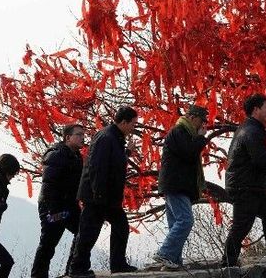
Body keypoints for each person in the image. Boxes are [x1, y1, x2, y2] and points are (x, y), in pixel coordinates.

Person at [221, 94, 266, 267]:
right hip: (245, 186)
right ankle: (228, 263)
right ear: (256, 109)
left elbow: (254, 155)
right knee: (242, 225)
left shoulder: (249, 128)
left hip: (250, 185)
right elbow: (258, 159)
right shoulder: (252, 130)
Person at [69, 107, 139, 277]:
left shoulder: (114, 137)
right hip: (97, 195)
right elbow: (97, 166)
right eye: (133, 124)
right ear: (124, 122)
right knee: (89, 232)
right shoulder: (107, 137)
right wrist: (98, 193)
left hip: (107, 196)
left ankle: (118, 264)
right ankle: (77, 268)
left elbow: (114, 160)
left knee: (120, 226)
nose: (133, 128)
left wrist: (127, 152)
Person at [153, 105, 209, 270]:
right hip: (176, 185)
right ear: (192, 118)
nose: (203, 124)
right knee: (185, 220)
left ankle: (173, 262)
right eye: (201, 120)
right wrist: (200, 138)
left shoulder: (183, 132)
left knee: (175, 224)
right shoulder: (180, 131)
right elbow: (189, 153)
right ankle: (165, 253)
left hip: (175, 184)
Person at [31, 124, 85, 278]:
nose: (82, 137)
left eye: (83, 134)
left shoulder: (76, 156)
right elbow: (49, 186)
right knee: (48, 243)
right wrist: (54, 212)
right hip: (53, 208)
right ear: (68, 138)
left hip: (69, 207)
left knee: (83, 230)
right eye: (79, 134)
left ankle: (73, 270)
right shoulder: (56, 155)